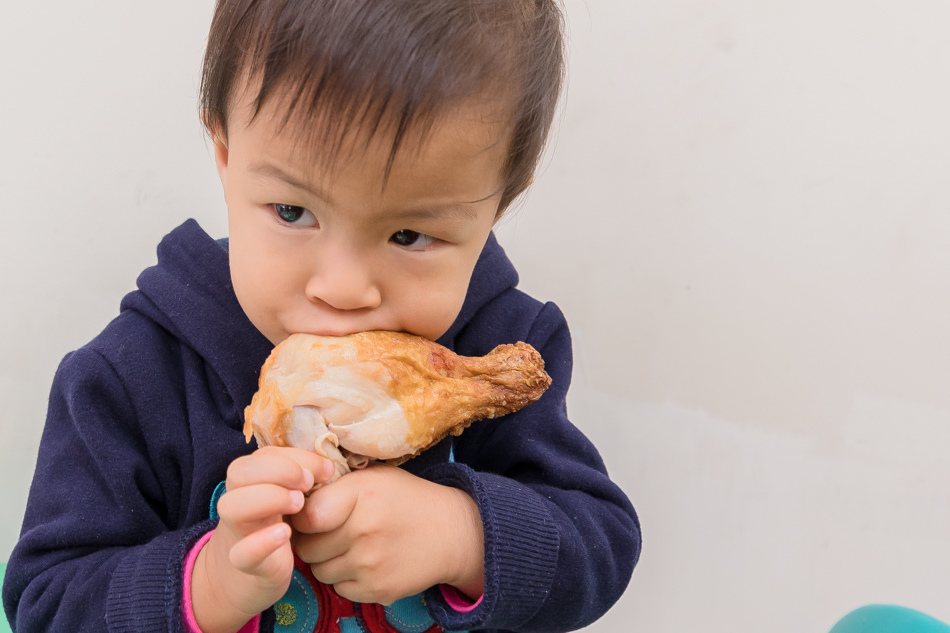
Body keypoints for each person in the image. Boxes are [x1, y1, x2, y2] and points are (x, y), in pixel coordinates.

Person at [2, 1, 641, 631]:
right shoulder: (129, 378)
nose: (340, 289)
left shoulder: (500, 354)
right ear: (224, 153)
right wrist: (209, 581)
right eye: (291, 212)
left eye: (411, 235)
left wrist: (462, 536)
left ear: (499, 201)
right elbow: (45, 601)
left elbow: (600, 546)